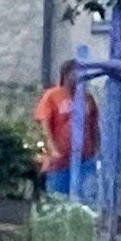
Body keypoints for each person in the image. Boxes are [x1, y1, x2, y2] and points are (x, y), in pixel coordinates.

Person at [33, 60, 101, 200]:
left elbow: (94, 126)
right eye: (75, 72)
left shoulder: (87, 98)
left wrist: (96, 151)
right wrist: (52, 149)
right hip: (59, 161)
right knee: (58, 199)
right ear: (66, 74)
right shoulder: (52, 96)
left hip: (85, 160)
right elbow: (43, 123)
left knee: (87, 199)